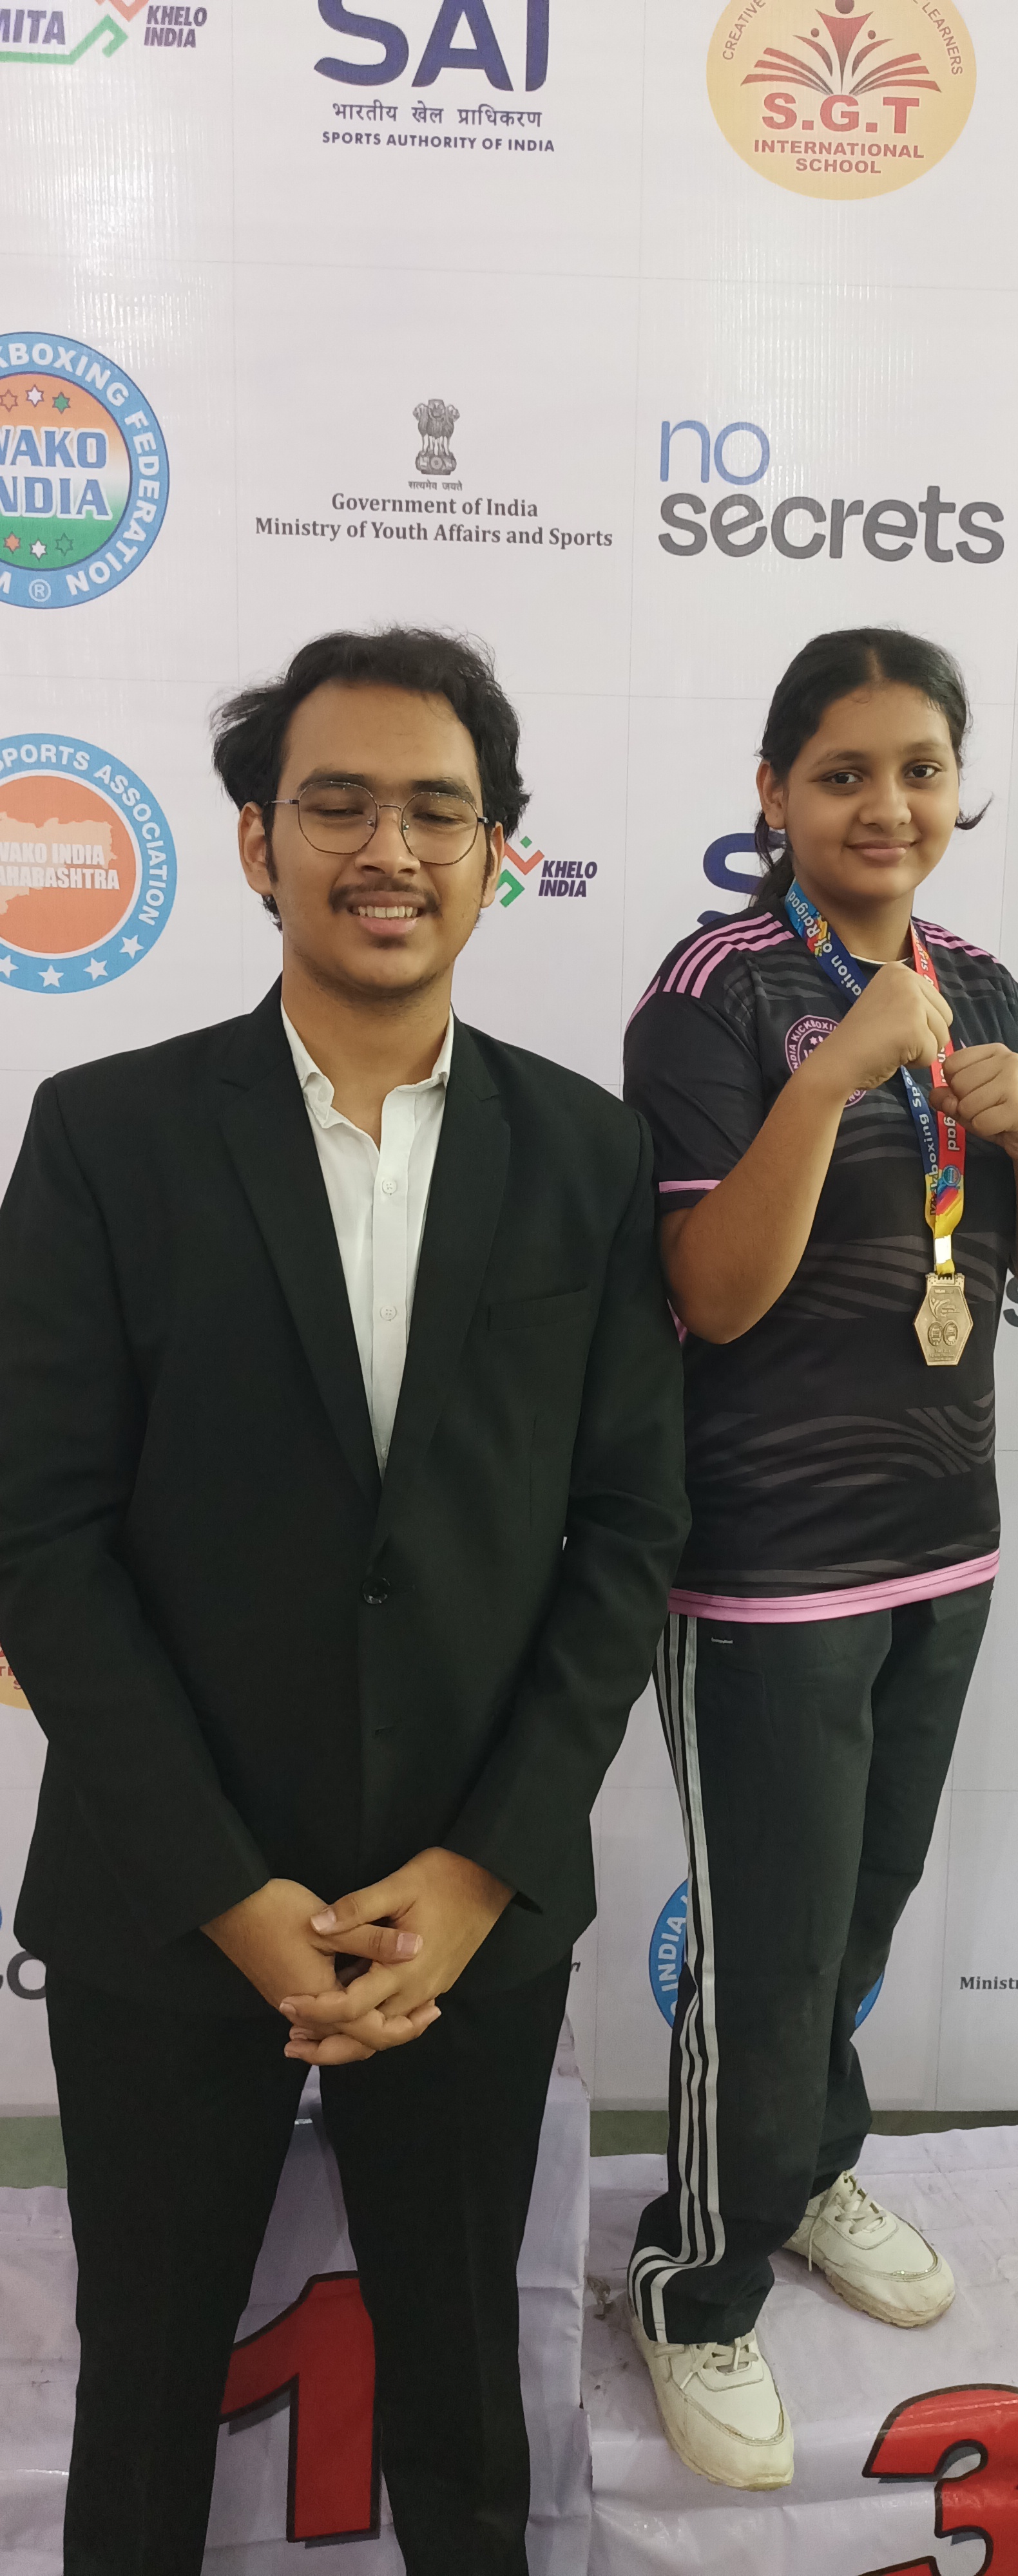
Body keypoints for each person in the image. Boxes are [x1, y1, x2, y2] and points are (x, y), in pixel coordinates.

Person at [0, 627, 689, 2575]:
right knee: (142, 2403)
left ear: (497, 856)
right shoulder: (107, 1134)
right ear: (257, 843)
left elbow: (627, 1532)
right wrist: (230, 1893)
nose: (391, 849)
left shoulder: (586, 1151)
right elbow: (39, 1540)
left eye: (439, 812)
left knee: (469, 2412)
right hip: (167, 1910)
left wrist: (476, 1873)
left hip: (466, 1912)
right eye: (340, 805)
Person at [622, 627, 1018, 2490]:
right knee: (765, 1948)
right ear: (774, 793)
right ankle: (694, 2278)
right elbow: (710, 1295)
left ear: (956, 785)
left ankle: (811, 2171)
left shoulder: (984, 985)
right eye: (842, 772)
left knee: (863, 1913)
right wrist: (827, 1086)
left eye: (920, 768)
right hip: (766, 1566)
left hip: (942, 1546)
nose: (886, 805)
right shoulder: (716, 992)